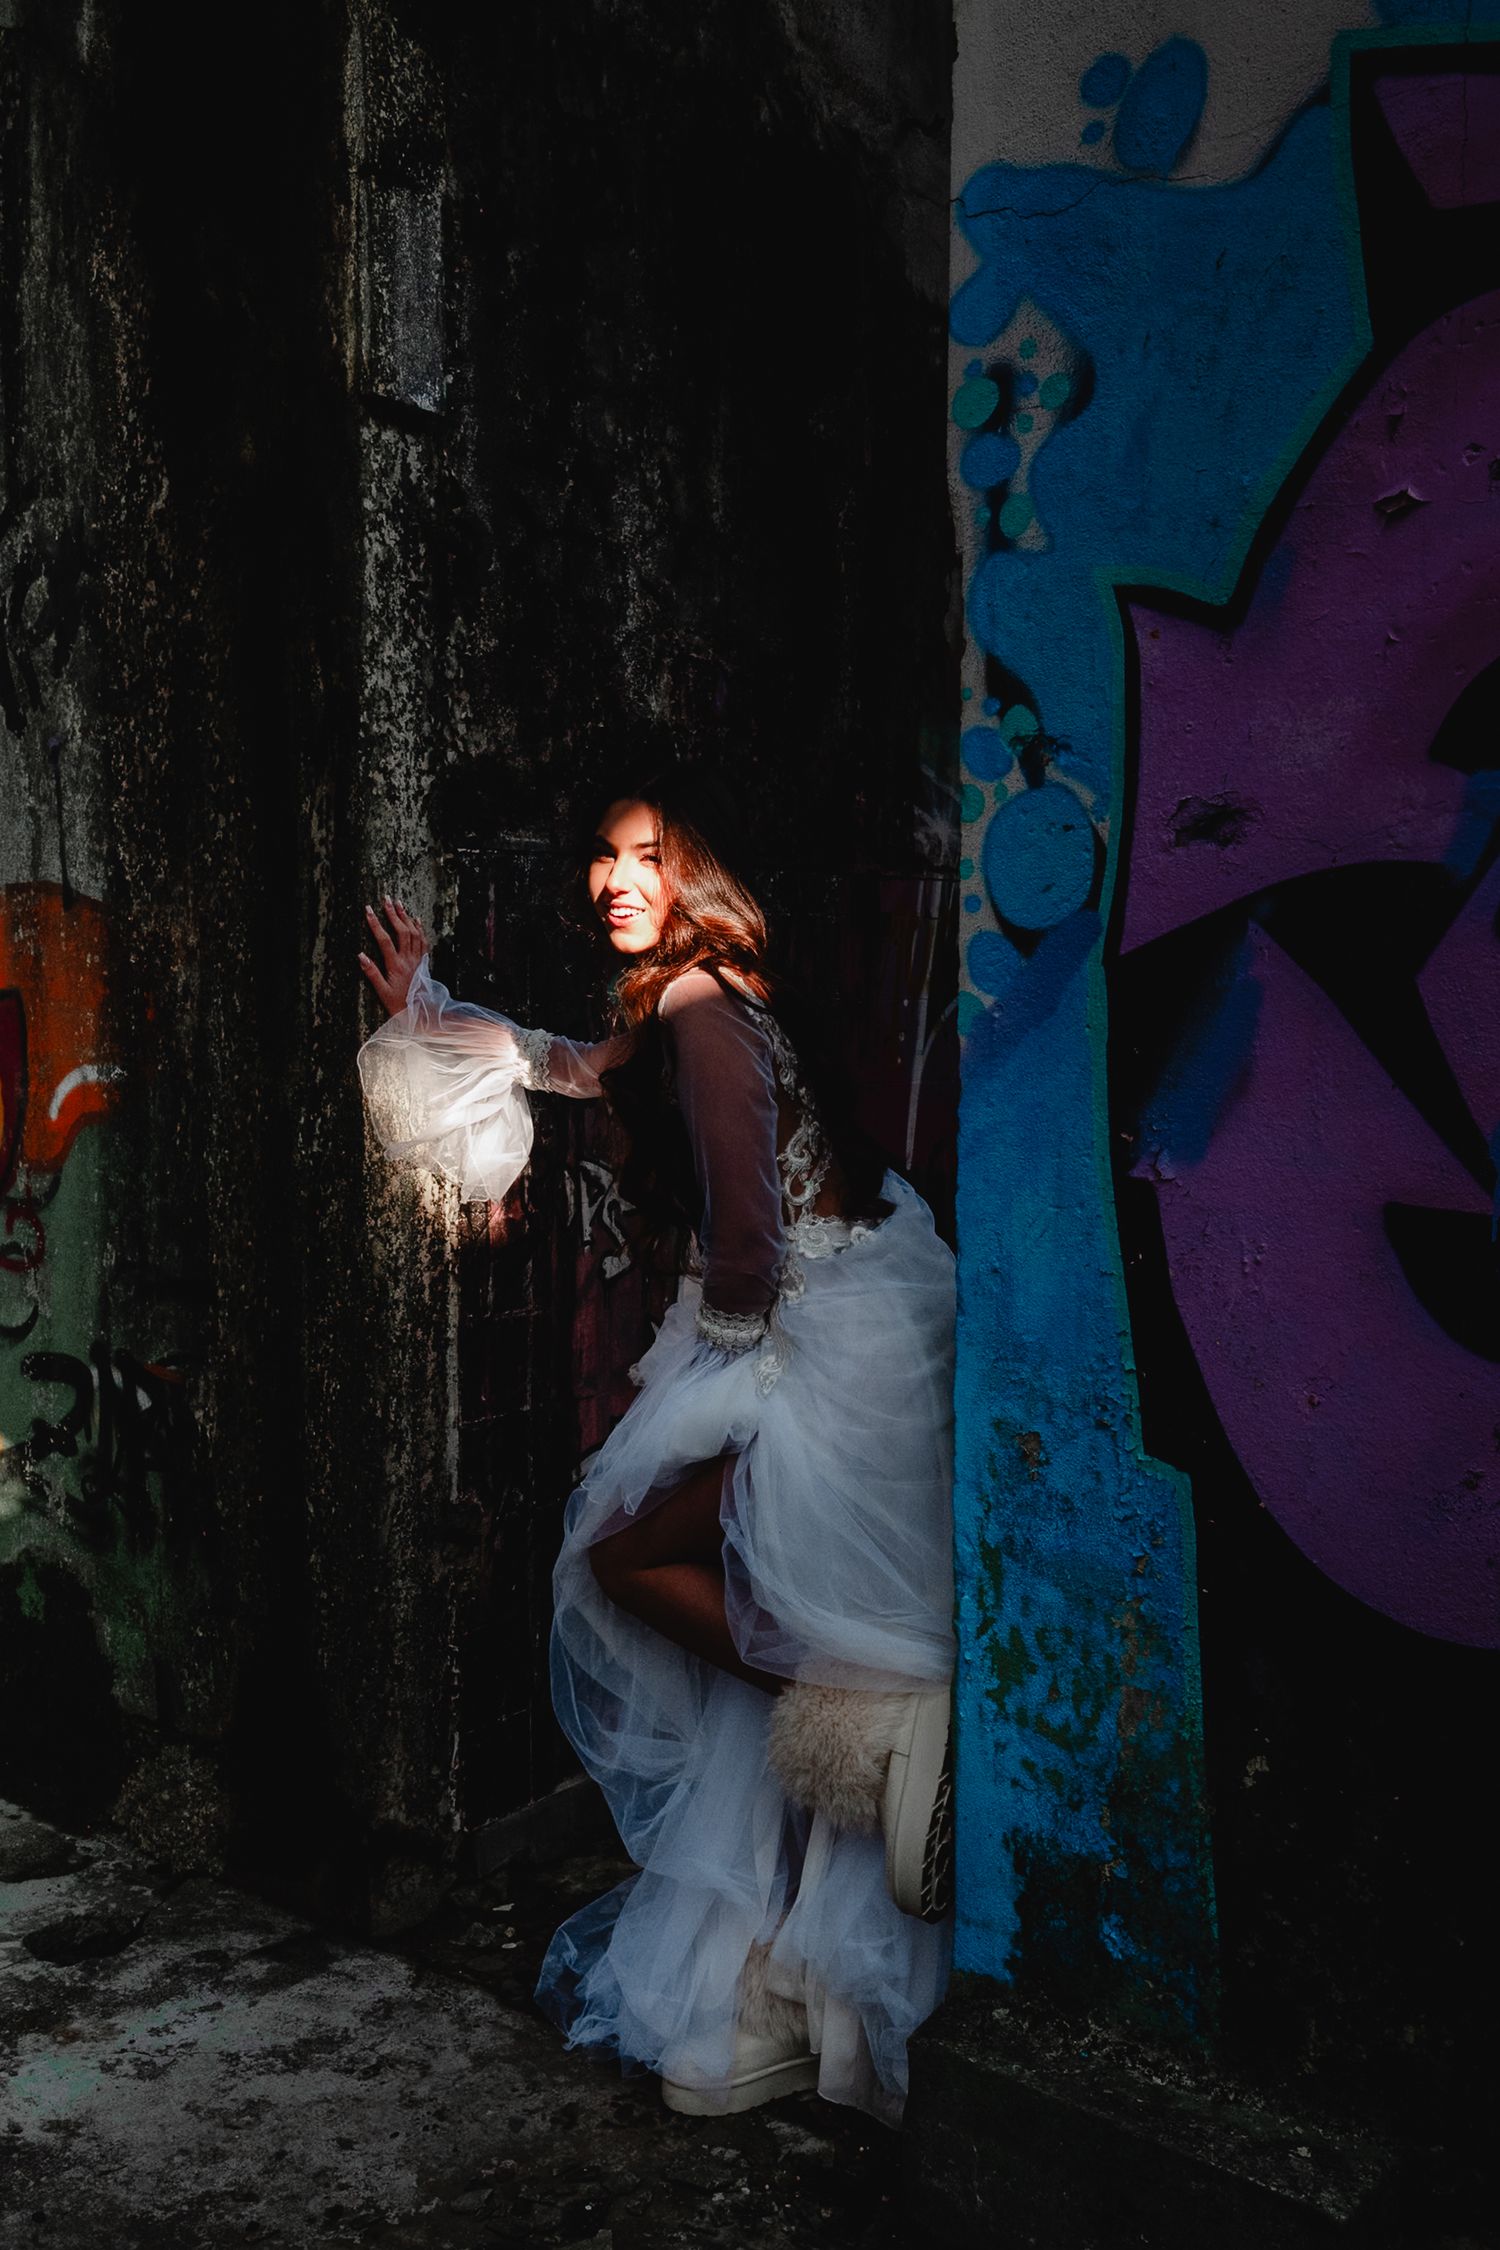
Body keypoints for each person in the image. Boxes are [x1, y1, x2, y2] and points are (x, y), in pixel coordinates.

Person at [356, 776, 955, 2124]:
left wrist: (718, 1369)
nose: (615, 878)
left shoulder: (699, 1006)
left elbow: (747, 1237)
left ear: (695, 867)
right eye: (603, 860)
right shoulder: (704, 995)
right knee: (681, 1576)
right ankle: (789, 1981)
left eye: (647, 855)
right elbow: (571, 1064)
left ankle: (880, 1704)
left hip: (805, 1330)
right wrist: (433, 1010)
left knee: (617, 1554)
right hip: (841, 1314)